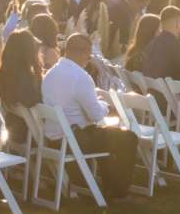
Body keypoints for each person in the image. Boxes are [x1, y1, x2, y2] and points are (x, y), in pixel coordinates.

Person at [43, 31, 134, 197]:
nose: (89, 58)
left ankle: (108, 183)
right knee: (127, 138)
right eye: (89, 54)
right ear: (82, 52)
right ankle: (118, 190)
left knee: (108, 136)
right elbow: (96, 115)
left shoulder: (50, 74)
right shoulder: (80, 77)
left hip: (52, 138)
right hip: (73, 140)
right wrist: (105, 105)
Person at [0, 29, 45, 150]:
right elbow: (36, 105)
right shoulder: (26, 80)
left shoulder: (4, 74)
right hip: (30, 134)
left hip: (13, 131)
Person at [138, 6, 180, 81]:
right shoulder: (176, 47)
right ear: (177, 23)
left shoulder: (150, 44)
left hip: (154, 89)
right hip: (171, 91)